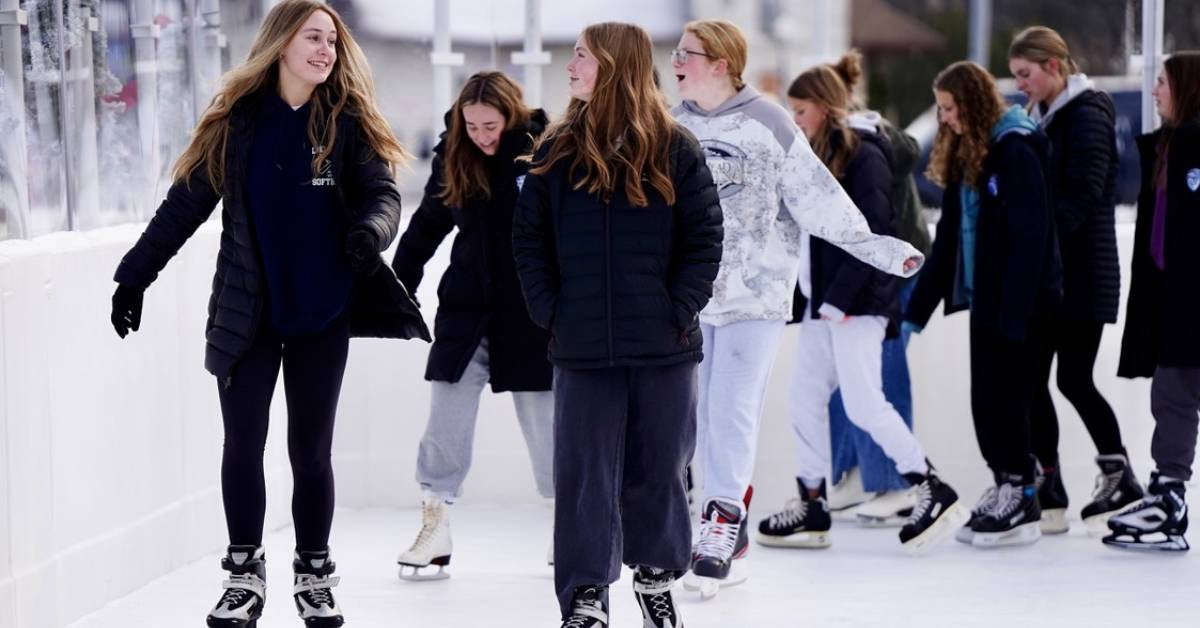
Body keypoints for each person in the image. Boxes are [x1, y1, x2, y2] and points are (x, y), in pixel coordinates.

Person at [108, 2, 427, 625]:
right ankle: (244, 576)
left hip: (321, 312)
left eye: (332, 41)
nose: (326, 50)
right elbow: (185, 205)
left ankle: (313, 575)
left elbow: (382, 192)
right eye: (313, 37)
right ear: (280, 44)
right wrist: (134, 276)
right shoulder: (240, 123)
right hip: (247, 311)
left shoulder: (346, 120)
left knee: (311, 452)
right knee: (243, 445)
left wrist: (371, 229)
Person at [668, 21, 924, 594]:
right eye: (676, 53)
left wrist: (878, 251)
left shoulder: (770, 124)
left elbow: (821, 202)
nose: (676, 62)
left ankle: (721, 518)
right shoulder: (673, 123)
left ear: (720, 62)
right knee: (697, 416)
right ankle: (720, 522)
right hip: (689, 298)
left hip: (755, 300)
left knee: (732, 408)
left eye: (687, 54)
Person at [512, 22, 723, 628]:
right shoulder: (554, 150)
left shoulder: (675, 147)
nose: (570, 66)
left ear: (612, 64)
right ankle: (585, 595)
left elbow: (705, 237)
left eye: (580, 56)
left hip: (664, 347)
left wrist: (675, 310)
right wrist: (553, 312)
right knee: (583, 476)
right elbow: (528, 240)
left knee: (659, 468)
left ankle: (655, 578)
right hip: (582, 348)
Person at [750, 53, 963, 557]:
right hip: (825, 306)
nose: (794, 119)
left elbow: (873, 235)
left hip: (858, 304)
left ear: (824, 108)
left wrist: (839, 301)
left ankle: (930, 486)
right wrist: (804, 300)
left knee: (865, 402)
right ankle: (813, 503)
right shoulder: (815, 155)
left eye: (800, 110)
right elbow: (808, 238)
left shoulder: (866, 154)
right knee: (804, 398)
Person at [389, 71, 555, 580]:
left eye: (491, 125)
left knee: (548, 430)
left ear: (510, 117)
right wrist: (399, 283)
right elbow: (429, 224)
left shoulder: (542, 153)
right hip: (466, 310)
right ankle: (435, 526)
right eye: (473, 125)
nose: (482, 135)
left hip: (530, 316)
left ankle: (567, 525)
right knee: (446, 421)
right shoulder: (455, 153)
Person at [904, 61, 1062, 549]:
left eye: (950, 108)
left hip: (1025, 305)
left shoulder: (1015, 148)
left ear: (971, 103)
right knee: (986, 400)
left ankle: (1024, 494)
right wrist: (914, 312)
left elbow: (1032, 237)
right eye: (941, 108)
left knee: (1010, 399)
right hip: (987, 302)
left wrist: (1014, 315)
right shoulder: (971, 154)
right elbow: (948, 240)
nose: (945, 118)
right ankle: (1006, 481)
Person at [1008, 25, 1141, 535]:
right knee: (1031, 379)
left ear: (1054, 67)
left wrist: (1038, 239)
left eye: (1026, 74)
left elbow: (1084, 193)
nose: (1021, 85)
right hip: (1055, 274)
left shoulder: (1087, 114)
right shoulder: (1043, 117)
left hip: (1083, 276)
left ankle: (1118, 472)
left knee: (1072, 378)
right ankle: (1049, 482)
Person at [822, 54, 935, 528]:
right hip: (856, 276)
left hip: (895, 272)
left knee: (883, 376)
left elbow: (907, 153)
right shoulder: (831, 144)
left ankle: (895, 482)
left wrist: (871, 127)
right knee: (840, 384)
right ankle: (852, 473)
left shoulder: (873, 138)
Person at [1106, 51, 1200, 553]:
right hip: (1173, 302)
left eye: (1162, 82)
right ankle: (1169, 494)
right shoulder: (1166, 149)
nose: (1154, 90)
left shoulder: (1190, 145)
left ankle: (1170, 494)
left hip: (1188, 300)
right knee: (1172, 393)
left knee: (1176, 392)